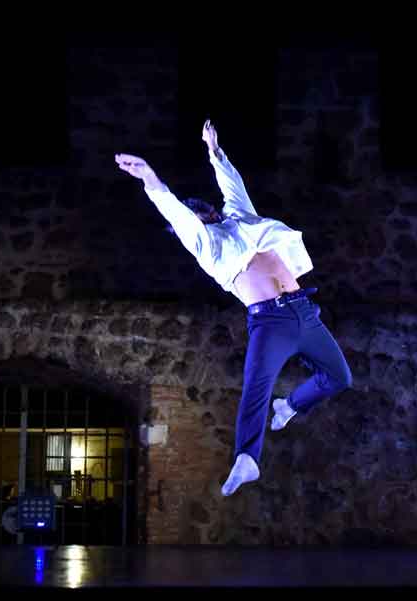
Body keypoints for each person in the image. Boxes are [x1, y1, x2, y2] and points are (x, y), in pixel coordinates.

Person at [115, 120, 352, 496]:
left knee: (339, 377)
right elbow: (175, 213)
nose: (200, 219)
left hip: (304, 312)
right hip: (270, 322)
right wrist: (151, 180)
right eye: (195, 220)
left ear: (209, 211)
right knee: (255, 390)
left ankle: (289, 407)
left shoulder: (240, 218)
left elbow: (233, 186)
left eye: (202, 214)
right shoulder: (207, 246)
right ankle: (247, 458)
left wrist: (215, 152)